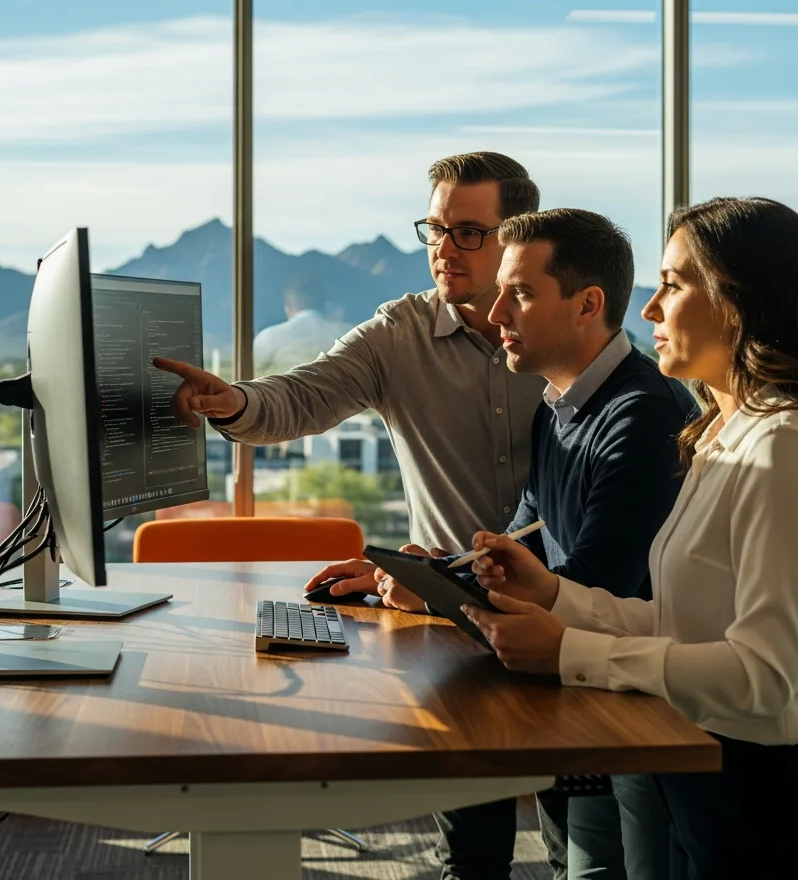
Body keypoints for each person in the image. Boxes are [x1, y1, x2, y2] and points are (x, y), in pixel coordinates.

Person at [152, 151, 571, 880]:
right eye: (435, 229)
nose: (445, 248)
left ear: (515, 235)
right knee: (471, 853)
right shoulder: (398, 334)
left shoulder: (562, 326)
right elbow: (304, 395)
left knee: (583, 838)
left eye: (469, 232)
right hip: (454, 622)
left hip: (573, 607)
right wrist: (232, 402)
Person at [463, 197, 798, 880]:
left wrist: (572, 651)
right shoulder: (724, 437)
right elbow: (685, 624)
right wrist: (554, 595)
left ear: (738, 300)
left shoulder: (787, 447)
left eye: (673, 283)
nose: (650, 309)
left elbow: (762, 676)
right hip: (713, 789)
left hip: (779, 810)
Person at [380, 208, 697, 880]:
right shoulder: (561, 404)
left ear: (588, 305)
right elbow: (530, 549)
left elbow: (591, 588)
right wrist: (447, 571)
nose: (496, 315)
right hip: (582, 696)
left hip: (629, 716)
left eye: (517, 294)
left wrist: (445, 598)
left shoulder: (643, 417)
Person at [252, 275, 349, 375]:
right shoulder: (347, 336)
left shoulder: (268, 337)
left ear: (288, 307)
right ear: (324, 306)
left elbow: (250, 378)